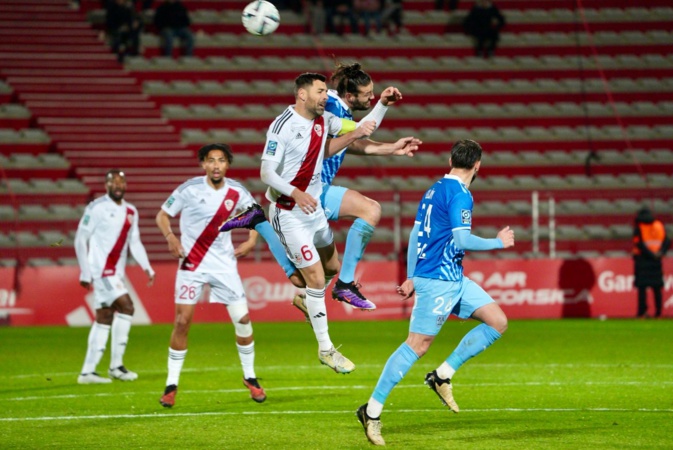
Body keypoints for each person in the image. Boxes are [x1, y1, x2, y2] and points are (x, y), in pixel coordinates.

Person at [356, 139, 515, 446]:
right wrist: (498, 242)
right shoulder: (460, 194)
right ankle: (371, 411)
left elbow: (416, 233)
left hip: (453, 277)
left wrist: (410, 274)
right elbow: (462, 240)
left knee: (497, 321)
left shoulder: (434, 189)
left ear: (451, 160)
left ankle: (442, 375)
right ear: (478, 165)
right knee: (416, 345)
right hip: (438, 279)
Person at [259, 72, 380, 374]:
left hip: (312, 210)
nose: (326, 96)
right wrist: (295, 192)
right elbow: (267, 173)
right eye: (320, 91)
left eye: (326, 91)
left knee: (331, 269)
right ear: (302, 94)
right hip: (288, 211)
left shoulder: (326, 120)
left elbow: (365, 127)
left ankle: (305, 299)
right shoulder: (281, 126)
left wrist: (384, 105)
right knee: (314, 278)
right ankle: (326, 349)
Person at [155, 143, 293, 407]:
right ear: (203, 164)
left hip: (224, 266)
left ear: (227, 165)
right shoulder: (189, 189)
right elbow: (162, 216)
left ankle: (250, 377)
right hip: (192, 264)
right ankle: (171, 385)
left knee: (243, 321)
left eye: (221, 160)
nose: (216, 165)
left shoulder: (236, 191)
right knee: (182, 322)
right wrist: (170, 237)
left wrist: (251, 241)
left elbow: (255, 216)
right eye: (211, 160)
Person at [74, 169, 155, 384]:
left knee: (104, 317)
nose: (118, 185)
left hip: (115, 272)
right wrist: (85, 270)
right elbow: (81, 238)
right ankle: (116, 366)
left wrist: (146, 266)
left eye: (121, 182)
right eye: (113, 182)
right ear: (106, 185)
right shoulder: (96, 208)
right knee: (127, 307)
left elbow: (135, 242)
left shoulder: (131, 211)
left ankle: (87, 373)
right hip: (101, 270)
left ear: (125, 185)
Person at [633, 207, 670, 318]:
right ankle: (658, 312)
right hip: (656, 261)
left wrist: (650, 254)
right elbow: (667, 241)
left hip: (642, 260)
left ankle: (642, 312)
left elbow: (639, 244)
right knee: (657, 287)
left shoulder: (639, 227)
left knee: (642, 288)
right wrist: (661, 252)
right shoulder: (659, 225)